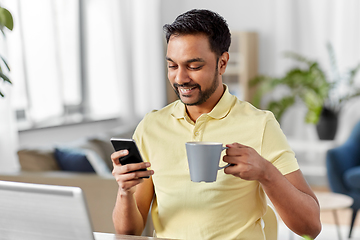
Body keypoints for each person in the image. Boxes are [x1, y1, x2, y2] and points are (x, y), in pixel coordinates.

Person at [111, 9, 321, 240]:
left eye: (194, 66)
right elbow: (128, 233)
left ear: (222, 63)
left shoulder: (259, 124)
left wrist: (266, 173)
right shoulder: (151, 126)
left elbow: (310, 226)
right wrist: (125, 191)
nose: (180, 78)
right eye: (172, 66)